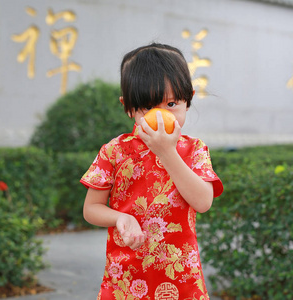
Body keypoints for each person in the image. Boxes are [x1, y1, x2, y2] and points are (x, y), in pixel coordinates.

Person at [81, 43, 223, 300]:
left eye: (170, 103)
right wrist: (119, 218)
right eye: (147, 107)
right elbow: (91, 208)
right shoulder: (115, 151)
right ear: (128, 107)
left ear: (187, 99)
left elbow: (203, 202)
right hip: (126, 276)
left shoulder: (195, 149)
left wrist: (167, 152)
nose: (160, 115)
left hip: (180, 276)